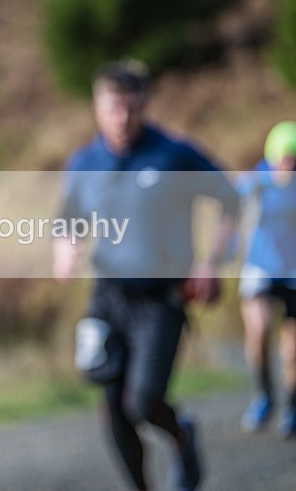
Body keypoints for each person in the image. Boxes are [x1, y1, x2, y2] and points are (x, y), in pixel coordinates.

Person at [53, 60, 239, 491]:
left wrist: (212, 262)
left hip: (162, 298)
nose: (122, 119)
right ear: (98, 107)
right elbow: (68, 219)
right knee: (112, 405)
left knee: (143, 402)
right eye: (113, 108)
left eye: (131, 109)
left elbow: (229, 200)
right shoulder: (84, 162)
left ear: (144, 106)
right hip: (107, 296)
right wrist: (65, 250)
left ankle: (181, 434)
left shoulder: (174, 154)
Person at [236, 120, 296, 439]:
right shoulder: (255, 181)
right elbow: (232, 212)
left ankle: (292, 405)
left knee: (292, 351)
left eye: (293, 159)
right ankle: (264, 396)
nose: (288, 165)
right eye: (283, 158)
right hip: (259, 266)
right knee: (258, 331)